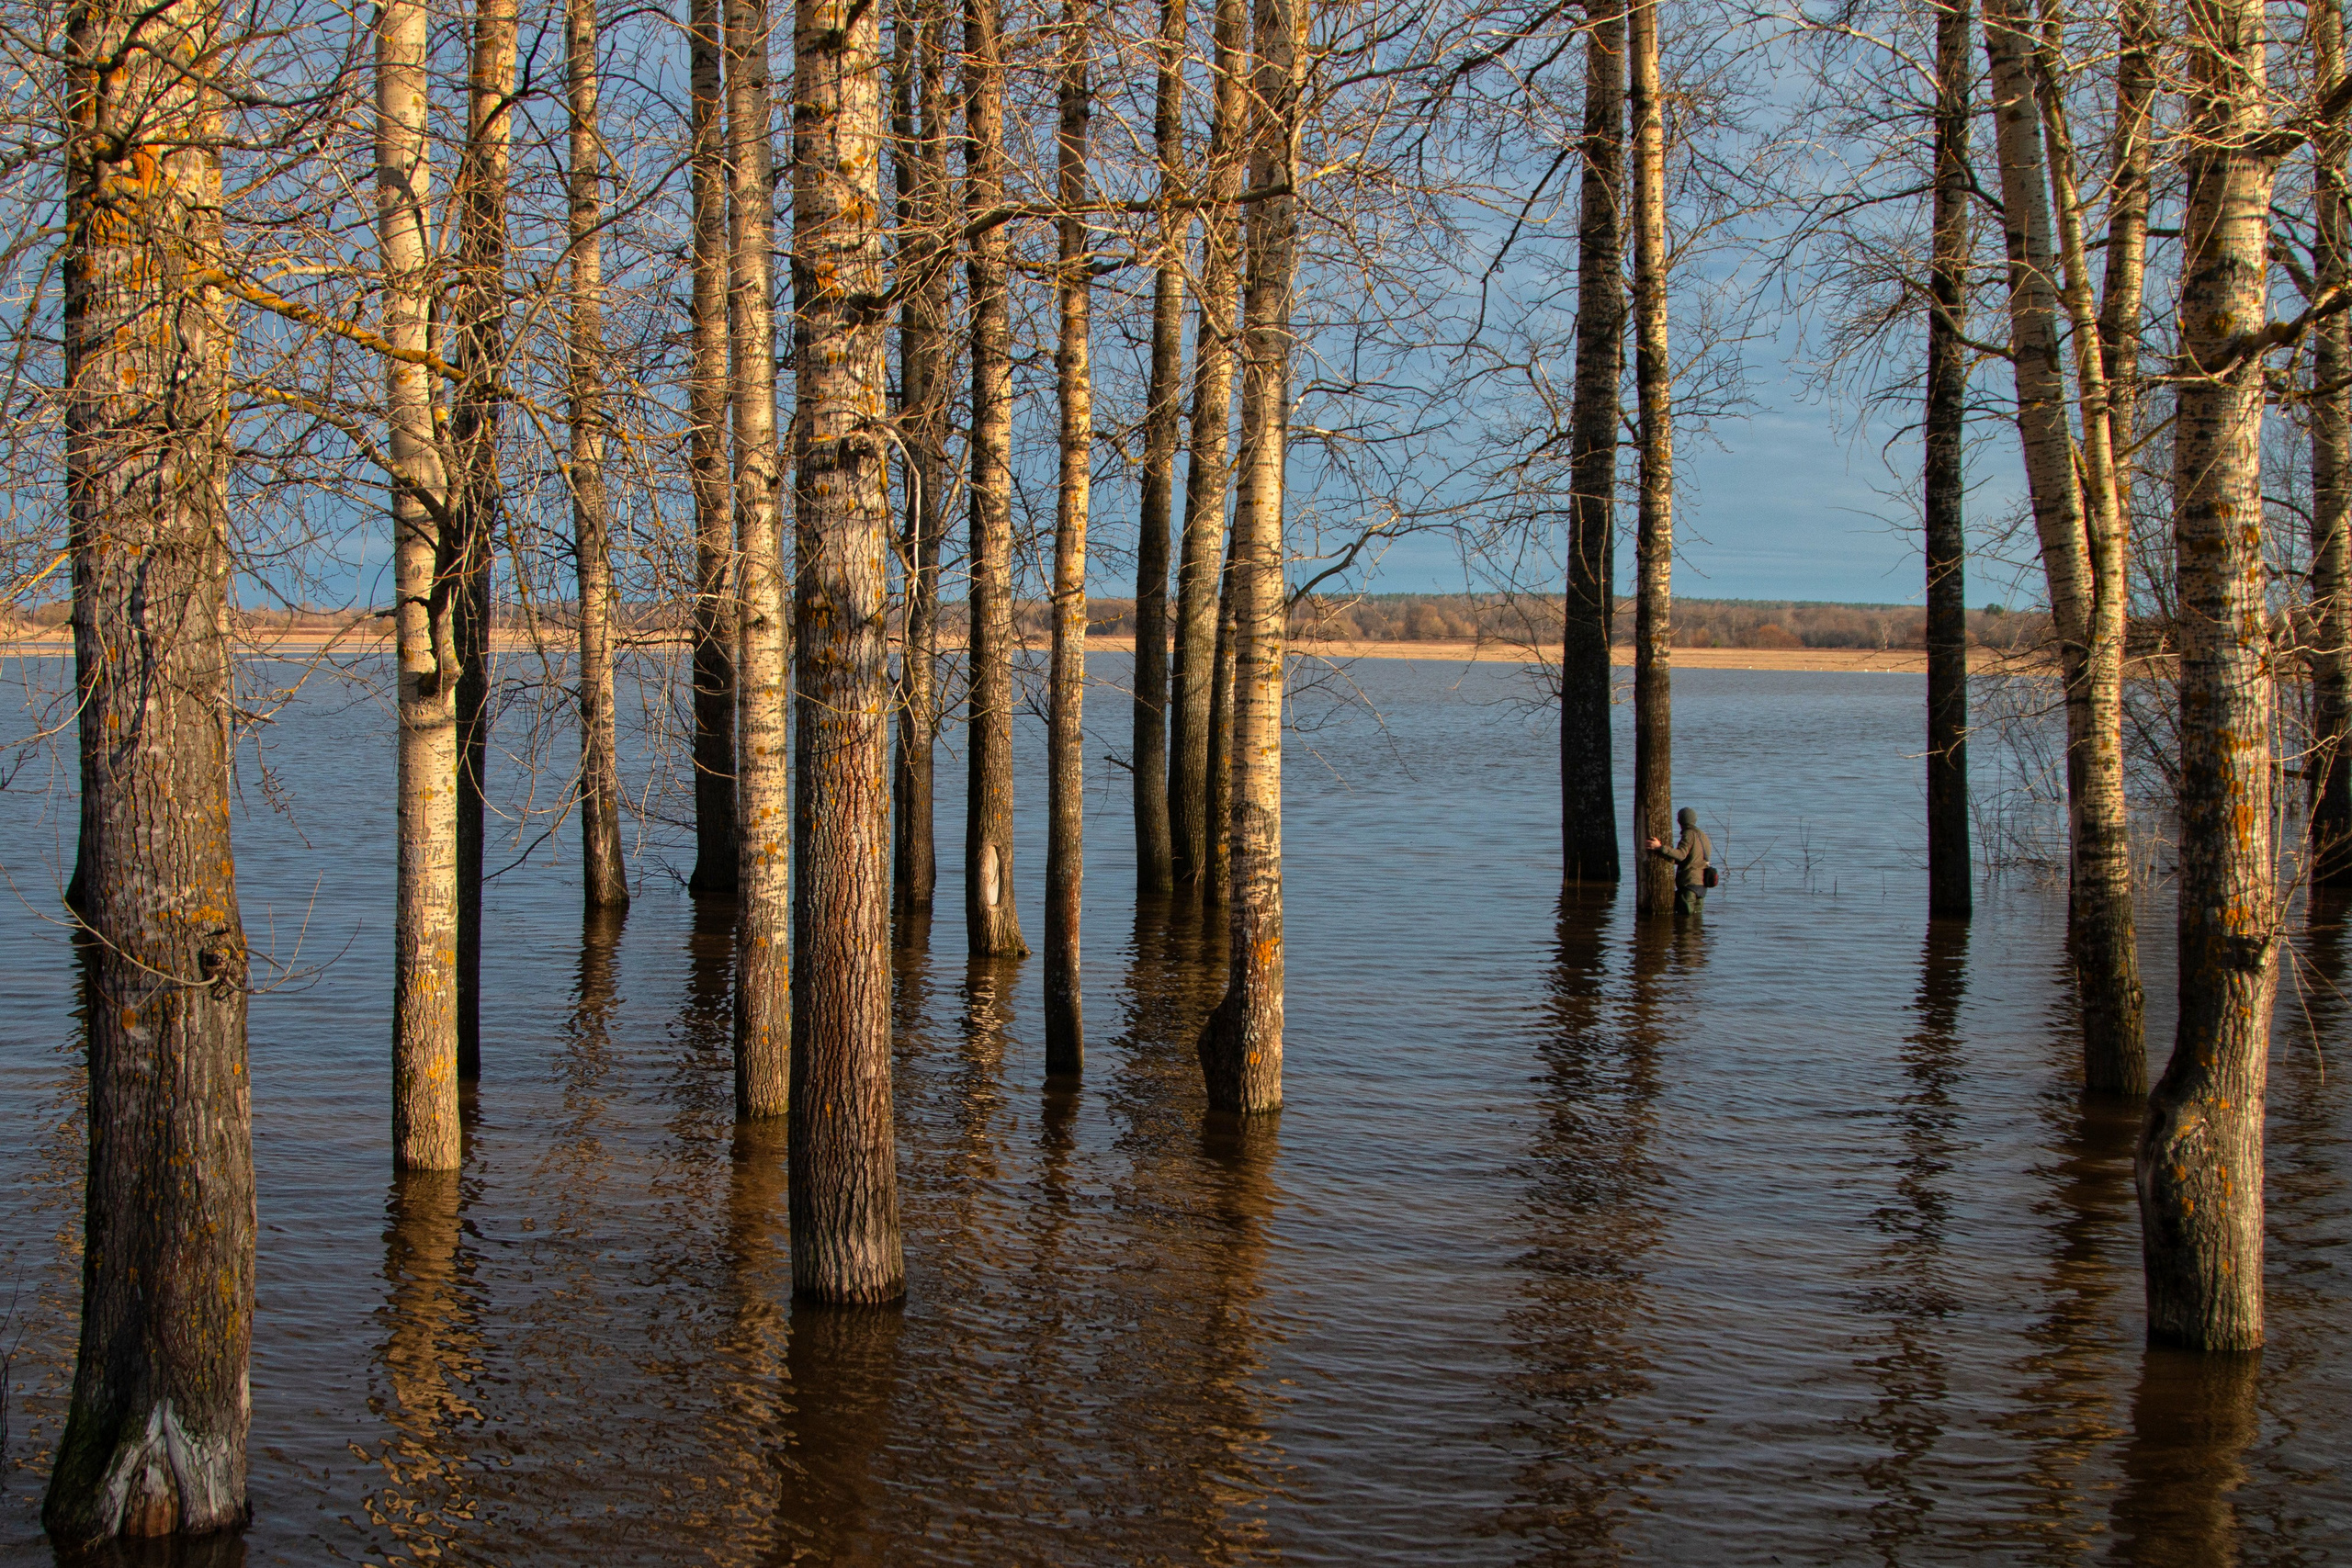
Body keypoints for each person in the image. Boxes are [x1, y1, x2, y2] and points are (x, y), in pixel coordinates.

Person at [1646, 807, 1713, 917]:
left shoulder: (1689, 834)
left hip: (1690, 883)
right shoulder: (1703, 835)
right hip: (1702, 885)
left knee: (1685, 919)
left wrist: (1659, 847)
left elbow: (1681, 855)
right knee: (1696, 919)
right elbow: (1694, 858)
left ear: (1679, 821)